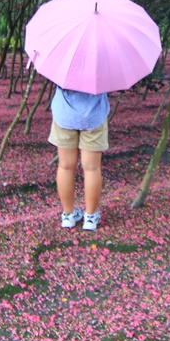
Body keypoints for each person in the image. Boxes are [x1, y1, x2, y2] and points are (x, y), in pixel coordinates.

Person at [49, 85, 109, 231]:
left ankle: (68, 215)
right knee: (92, 168)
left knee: (65, 166)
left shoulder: (62, 62)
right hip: (93, 115)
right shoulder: (102, 62)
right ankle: (90, 217)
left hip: (64, 114)